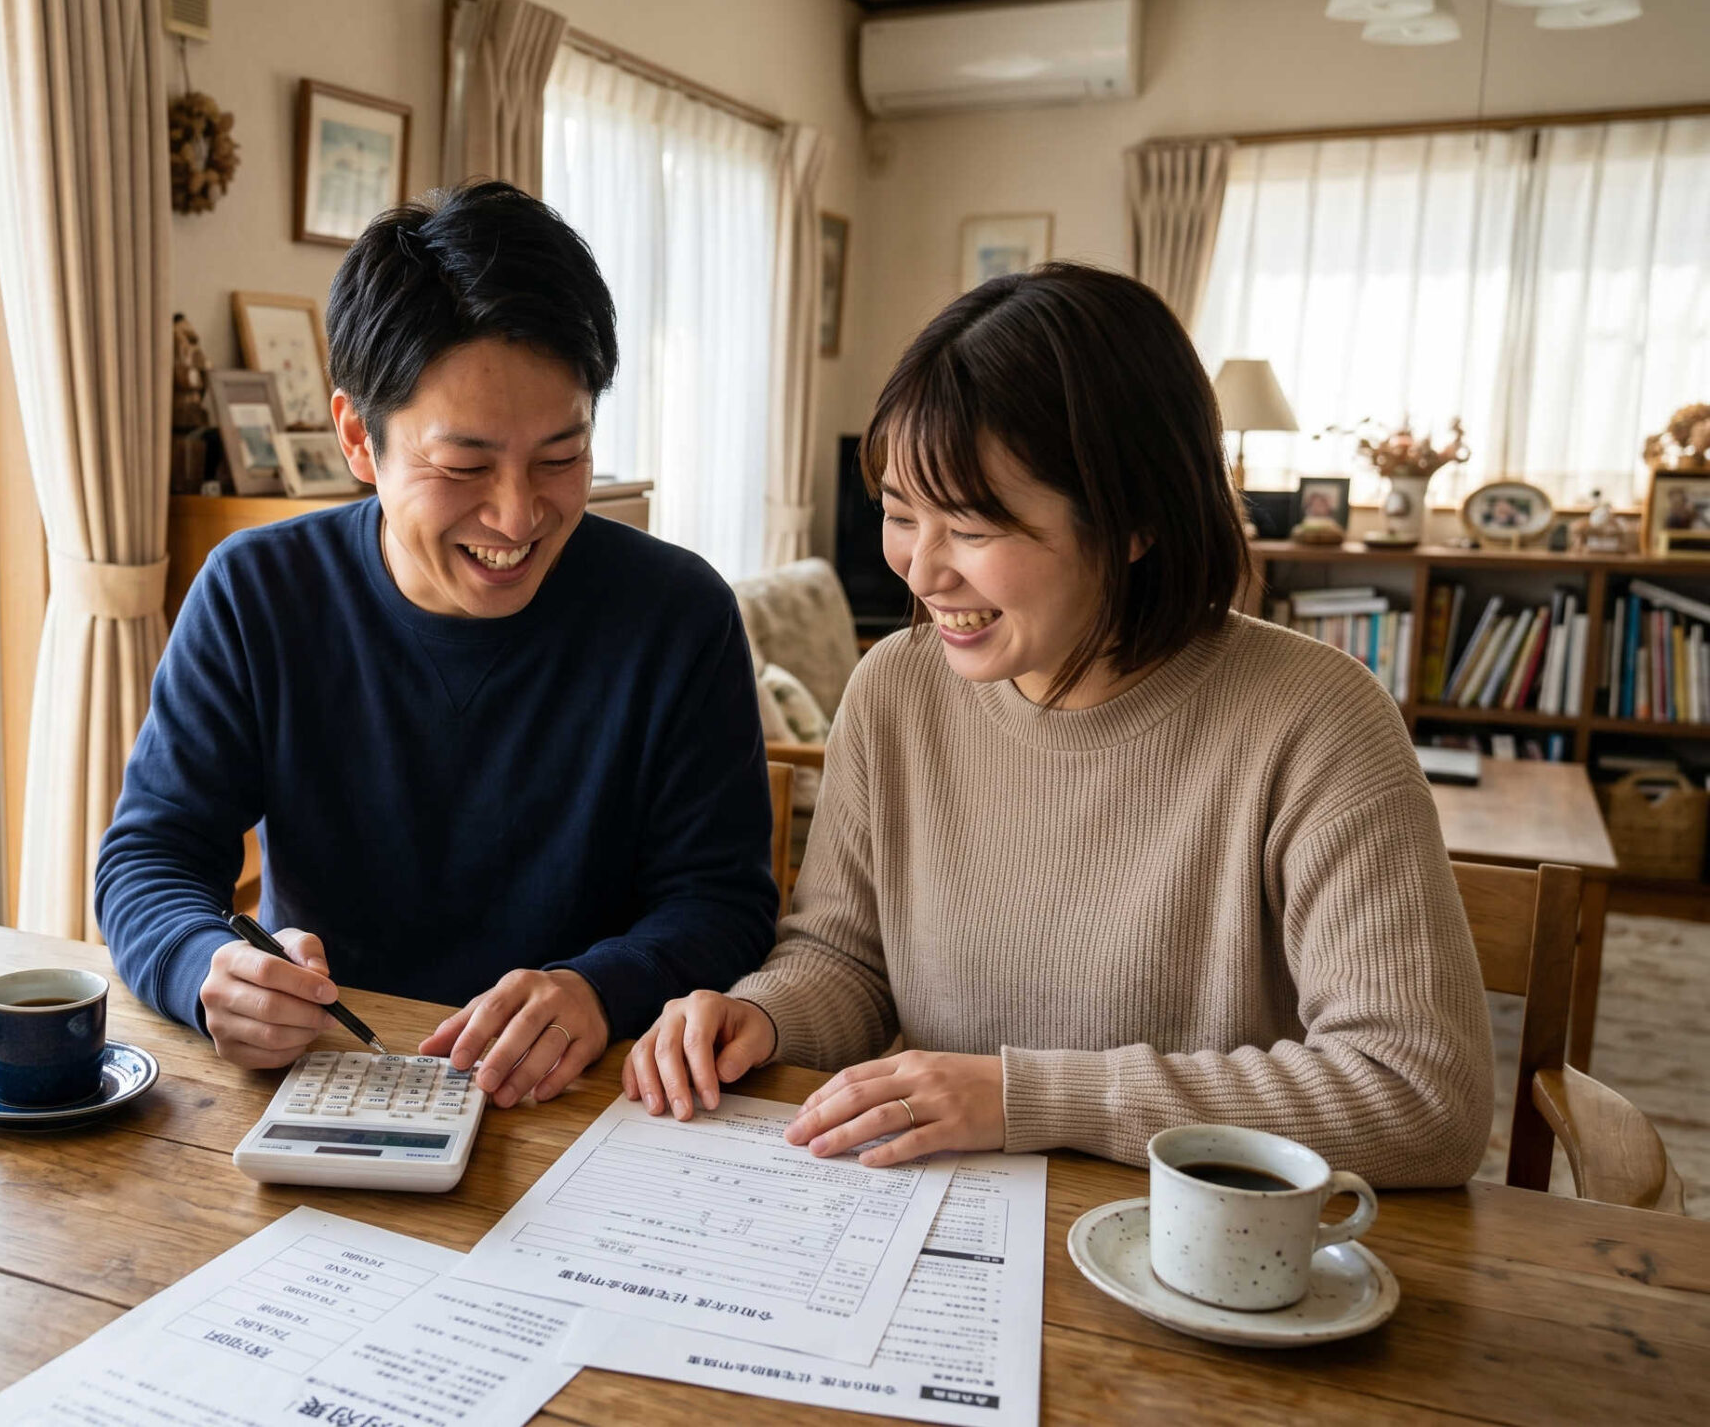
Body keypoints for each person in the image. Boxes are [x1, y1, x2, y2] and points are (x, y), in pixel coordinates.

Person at [622, 264, 1494, 1188]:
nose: (921, 571)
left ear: (1133, 521)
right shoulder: (895, 692)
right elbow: (846, 954)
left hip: (1199, 1254)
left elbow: (1420, 1094)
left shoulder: (1315, 719)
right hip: (949, 1233)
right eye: (900, 515)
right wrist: (762, 1015)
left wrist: (1027, 1097)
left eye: (971, 528)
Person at [99, 181, 777, 1110]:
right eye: (463, 466)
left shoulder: (677, 614)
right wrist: (204, 963)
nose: (518, 514)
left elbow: (726, 901)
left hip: (590, 1094)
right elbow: (151, 857)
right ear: (358, 439)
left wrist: (599, 985)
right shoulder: (257, 593)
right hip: (331, 1082)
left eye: (561, 456)